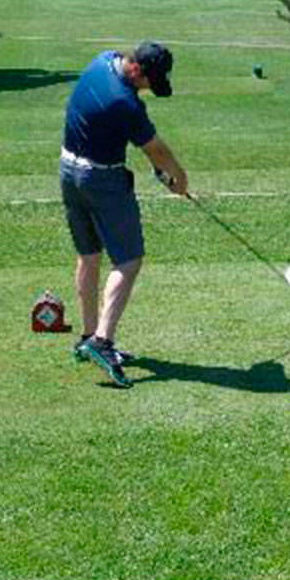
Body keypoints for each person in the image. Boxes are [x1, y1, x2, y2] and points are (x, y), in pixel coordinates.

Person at [59, 40, 188, 388]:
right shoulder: (126, 103)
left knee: (88, 254)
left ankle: (88, 335)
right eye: (150, 81)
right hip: (101, 177)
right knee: (128, 260)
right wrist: (179, 177)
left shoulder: (102, 60)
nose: (148, 89)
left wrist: (159, 170)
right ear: (137, 70)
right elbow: (156, 149)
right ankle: (102, 341)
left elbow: (136, 143)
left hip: (68, 170)